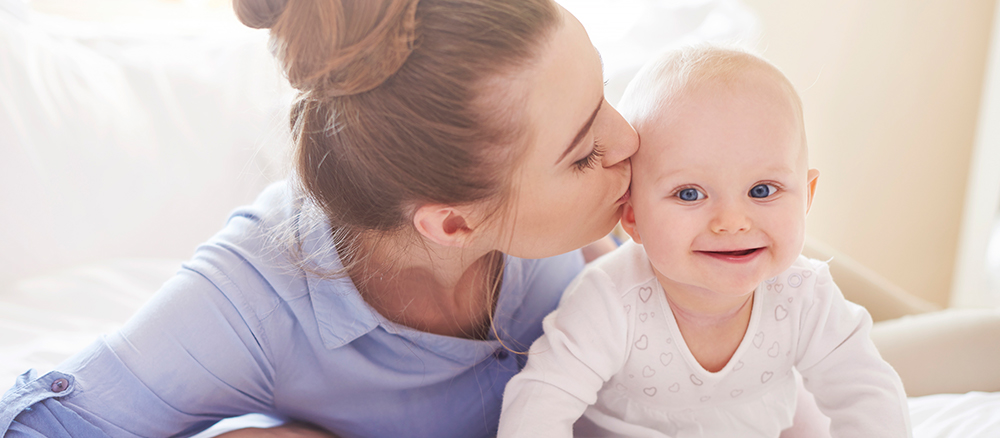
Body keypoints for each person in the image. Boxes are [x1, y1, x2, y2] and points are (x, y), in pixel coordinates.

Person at [0, 0, 636, 437]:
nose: (630, 139)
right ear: (452, 224)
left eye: (603, 93)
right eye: (585, 154)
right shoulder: (253, 304)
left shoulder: (589, 211)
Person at [497, 46, 912, 437]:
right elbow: (541, 400)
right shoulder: (610, 301)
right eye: (690, 194)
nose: (732, 222)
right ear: (632, 215)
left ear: (806, 196)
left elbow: (868, 393)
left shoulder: (804, 296)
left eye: (762, 190)